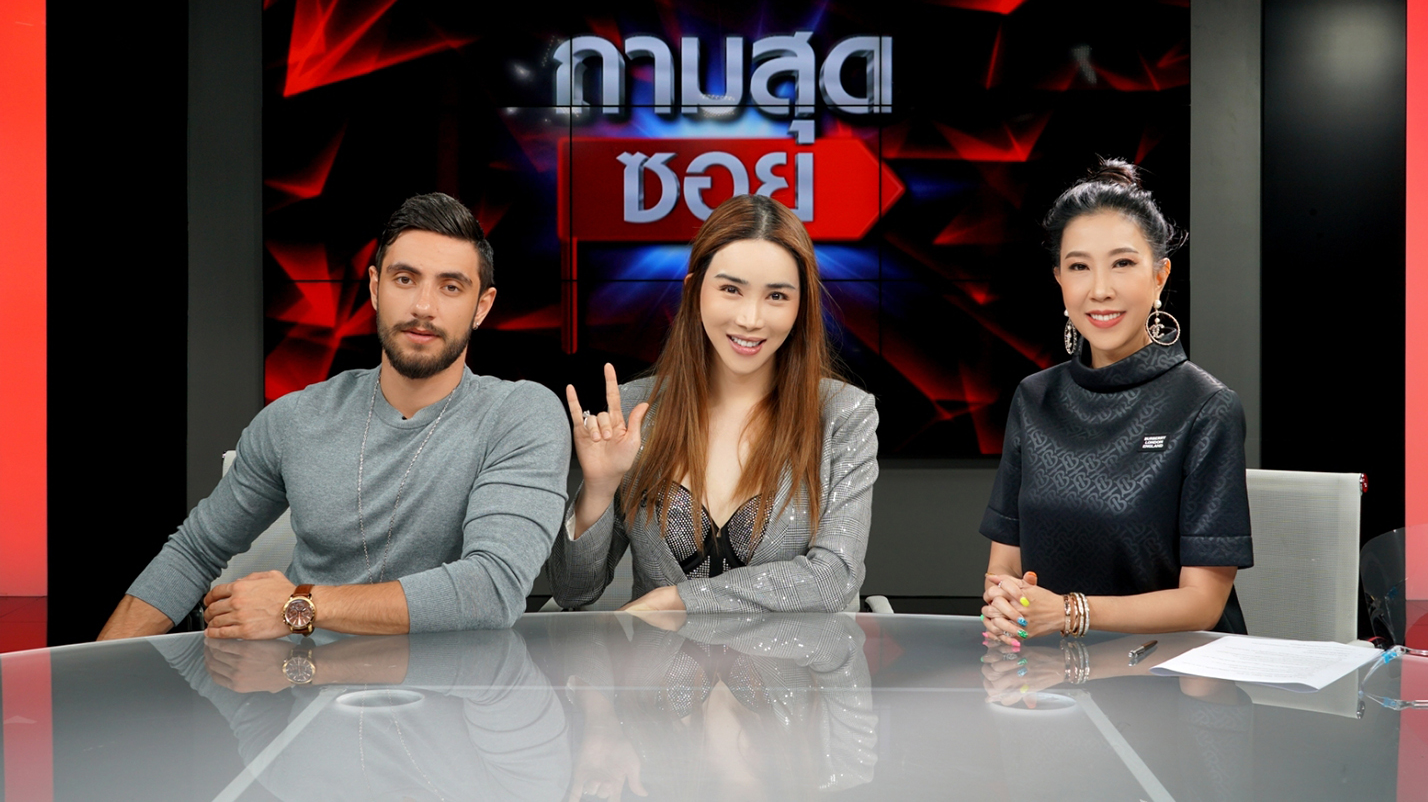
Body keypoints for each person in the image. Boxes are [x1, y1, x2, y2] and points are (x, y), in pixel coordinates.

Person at [98, 193, 570, 640]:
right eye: (405, 279)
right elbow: (193, 552)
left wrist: (298, 606)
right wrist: (95, 673)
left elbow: (491, 589)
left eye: (450, 287)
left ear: (482, 306)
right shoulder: (295, 418)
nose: (423, 307)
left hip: (454, 687)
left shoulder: (519, 415)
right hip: (297, 681)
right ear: (375, 288)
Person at [548, 193, 878, 614]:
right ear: (694, 291)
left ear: (802, 305)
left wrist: (681, 600)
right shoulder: (636, 408)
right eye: (730, 290)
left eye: (777, 296)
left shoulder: (843, 414)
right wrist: (598, 489)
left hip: (797, 658)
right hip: (654, 658)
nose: (750, 319)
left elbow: (834, 579)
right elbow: (572, 592)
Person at [979, 160, 1252, 643]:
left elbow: (1204, 603)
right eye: (1079, 267)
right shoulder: (1034, 398)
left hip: (1173, 672)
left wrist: (1069, 612)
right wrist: (1007, 603)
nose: (1100, 290)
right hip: (1050, 670)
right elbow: (1004, 566)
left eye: (1122, 263)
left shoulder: (1206, 407)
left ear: (1160, 276)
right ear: (1060, 280)